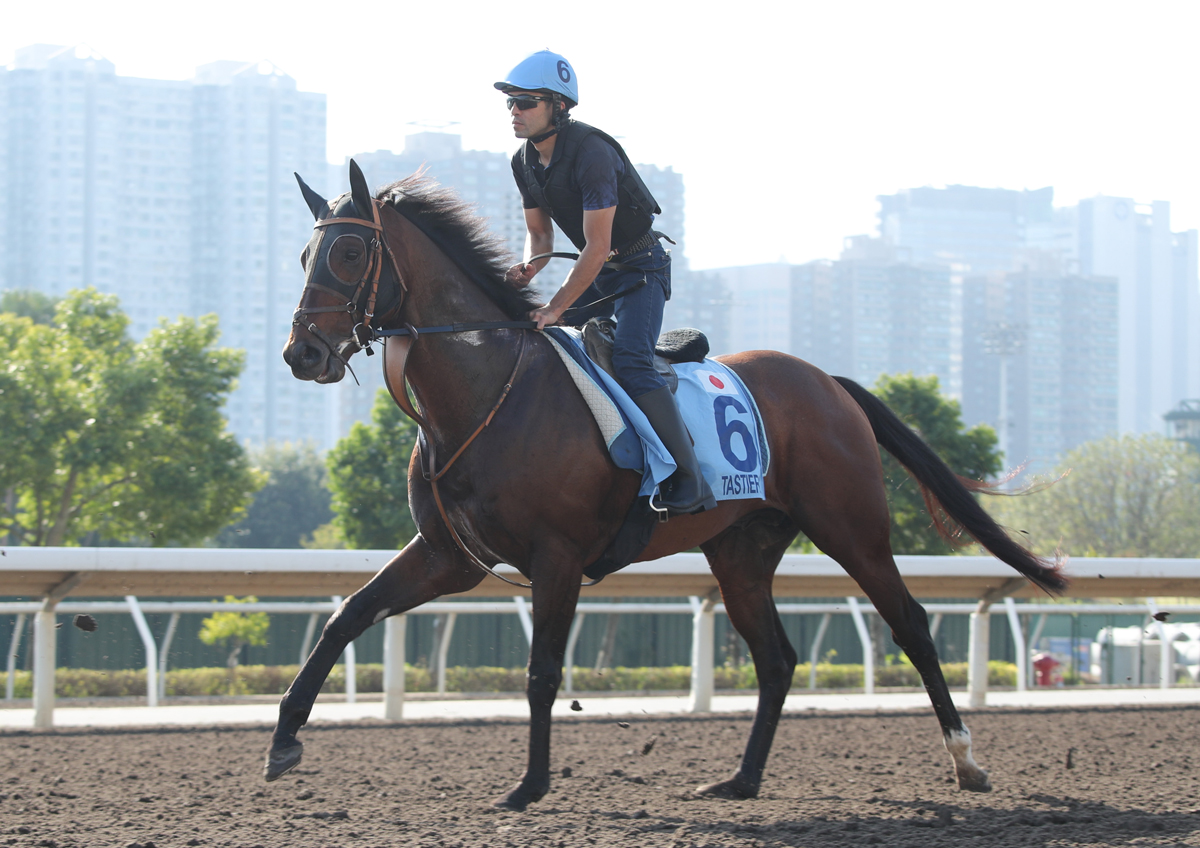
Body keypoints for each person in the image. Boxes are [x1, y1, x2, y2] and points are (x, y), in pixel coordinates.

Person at [496, 50, 716, 516]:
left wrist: (555, 307)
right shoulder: (523, 162)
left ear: (558, 105)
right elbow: (539, 235)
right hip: (600, 272)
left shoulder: (593, 152)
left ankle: (690, 478)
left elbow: (596, 248)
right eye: (510, 103)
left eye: (525, 102)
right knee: (546, 348)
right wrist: (529, 267)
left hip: (640, 269)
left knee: (632, 362)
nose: (514, 111)